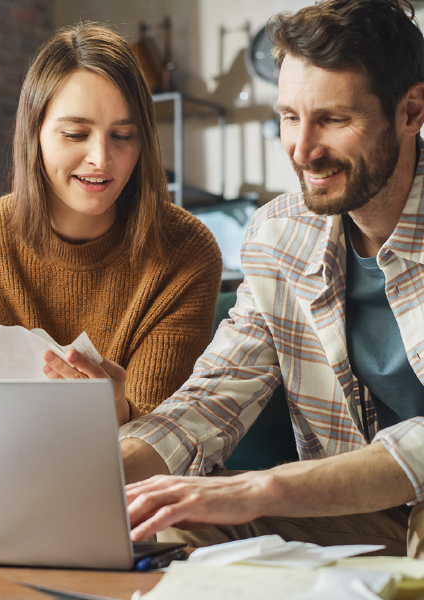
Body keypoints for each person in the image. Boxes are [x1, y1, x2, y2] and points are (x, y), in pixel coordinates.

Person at [121, 0, 424, 558]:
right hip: (355, 513)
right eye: (288, 116)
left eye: (334, 120)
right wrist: (94, 471)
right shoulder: (277, 236)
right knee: (165, 519)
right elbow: (214, 398)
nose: (302, 150)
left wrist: (263, 487)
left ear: (411, 110)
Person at [0, 23, 222, 426]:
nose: (101, 158)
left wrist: (115, 410)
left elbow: (166, 437)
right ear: (34, 133)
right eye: (75, 134)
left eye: (123, 136)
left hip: (141, 478)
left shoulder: (186, 249)